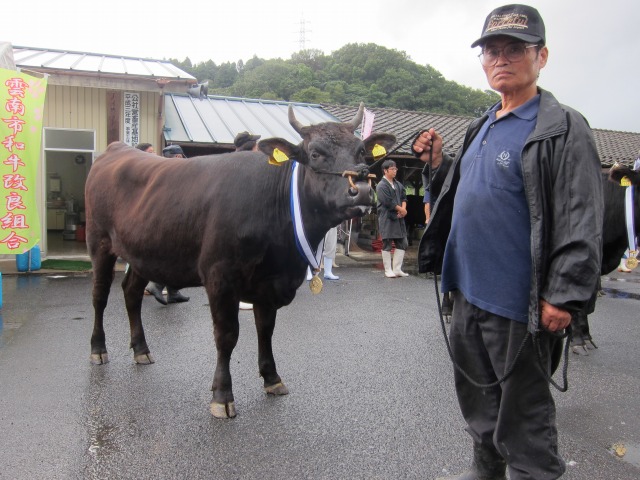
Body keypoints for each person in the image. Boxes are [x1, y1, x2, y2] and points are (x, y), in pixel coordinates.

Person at [412, 5, 603, 479]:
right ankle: (485, 471)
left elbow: (582, 215)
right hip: (467, 295)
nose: (502, 58)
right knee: (479, 405)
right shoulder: (482, 124)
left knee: (525, 422)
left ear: (542, 56)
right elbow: (465, 193)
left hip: (519, 306)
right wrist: (437, 166)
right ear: (482, 62)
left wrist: (564, 293)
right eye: (493, 50)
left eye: (515, 49)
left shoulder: (561, 127)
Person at [144, 144, 190, 304]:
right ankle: (156, 285)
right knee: (176, 256)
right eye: (181, 156)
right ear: (178, 156)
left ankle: (173, 292)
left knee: (175, 256)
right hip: (174, 221)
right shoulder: (179, 170)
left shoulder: (160, 169)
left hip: (161, 219)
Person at [376, 160, 409, 278]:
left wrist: (403, 210)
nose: (395, 171)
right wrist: (401, 210)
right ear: (385, 171)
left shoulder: (398, 184)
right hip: (387, 218)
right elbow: (387, 202)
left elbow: (404, 197)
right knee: (387, 243)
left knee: (403, 243)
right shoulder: (381, 185)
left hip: (399, 217)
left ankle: (397, 269)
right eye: (392, 169)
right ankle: (388, 270)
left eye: (395, 169)